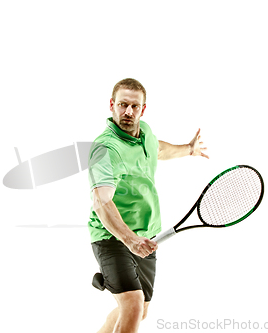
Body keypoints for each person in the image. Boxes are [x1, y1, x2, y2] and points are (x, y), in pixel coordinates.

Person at [88, 78, 209, 333]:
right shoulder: (106, 149)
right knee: (132, 302)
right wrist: (130, 239)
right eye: (122, 105)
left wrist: (188, 149)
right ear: (112, 105)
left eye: (134, 106)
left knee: (139, 310)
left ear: (143, 109)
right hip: (113, 237)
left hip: (146, 235)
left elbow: (158, 149)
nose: (128, 112)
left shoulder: (146, 134)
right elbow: (101, 201)